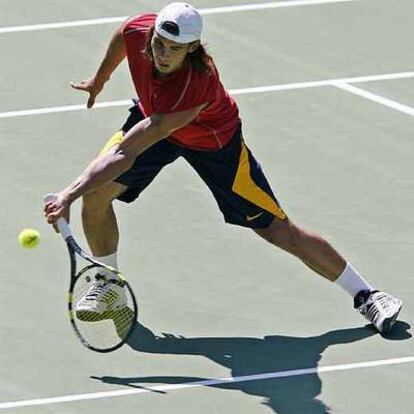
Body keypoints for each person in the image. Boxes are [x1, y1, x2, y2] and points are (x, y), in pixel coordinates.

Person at [44, 2, 402, 333]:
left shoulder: (194, 86)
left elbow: (127, 152)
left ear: (193, 49)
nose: (163, 52)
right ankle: (110, 287)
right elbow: (125, 33)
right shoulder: (142, 32)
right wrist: (101, 79)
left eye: (174, 48)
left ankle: (368, 296)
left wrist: (67, 194)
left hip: (212, 143)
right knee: (96, 195)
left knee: (277, 229)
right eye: (160, 42)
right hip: (154, 118)